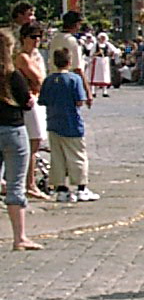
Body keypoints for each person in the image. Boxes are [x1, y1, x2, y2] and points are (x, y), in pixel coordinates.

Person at [0, 29, 40, 250]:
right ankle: (19, 237)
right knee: (16, 185)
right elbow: (27, 102)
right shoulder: (13, 75)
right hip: (13, 130)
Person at [39, 47, 90, 203]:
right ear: (69, 62)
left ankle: (61, 189)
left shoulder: (48, 80)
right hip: (72, 123)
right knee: (77, 156)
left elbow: (43, 101)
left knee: (57, 157)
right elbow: (79, 101)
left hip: (53, 122)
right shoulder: (74, 79)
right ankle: (81, 188)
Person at [14, 21, 47, 200]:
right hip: (30, 101)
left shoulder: (37, 56)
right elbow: (38, 78)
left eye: (39, 37)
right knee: (32, 143)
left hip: (37, 100)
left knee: (35, 143)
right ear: (23, 38)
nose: (36, 40)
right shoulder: (23, 57)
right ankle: (29, 184)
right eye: (32, 37)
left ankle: (29, 182)